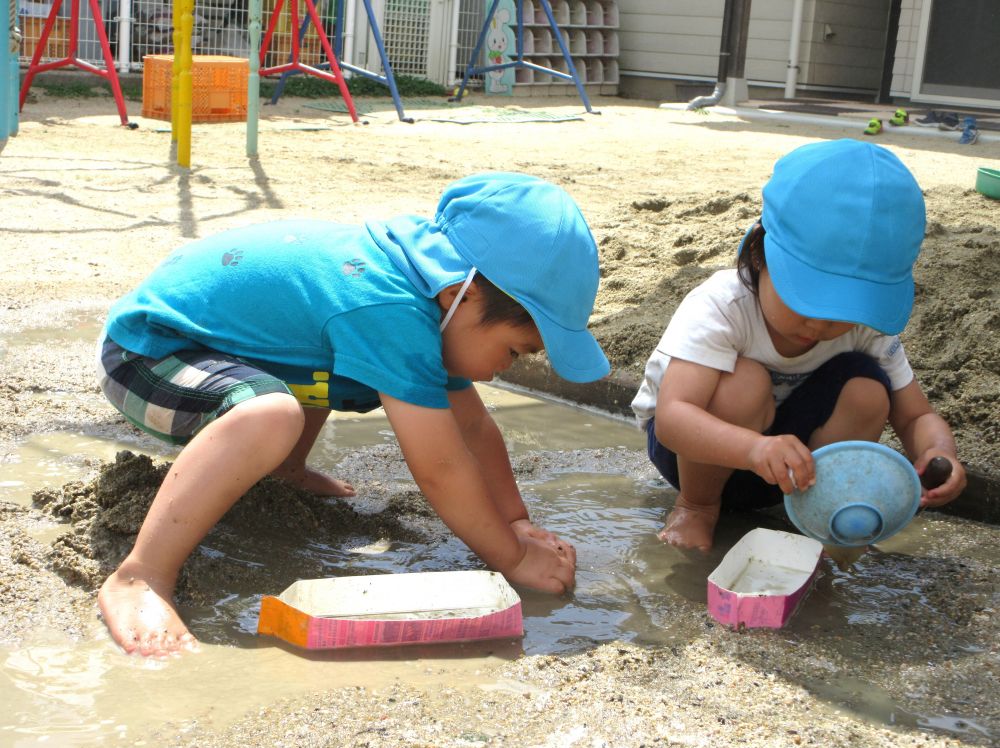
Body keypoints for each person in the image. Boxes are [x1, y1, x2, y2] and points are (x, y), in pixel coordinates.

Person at [96, 172, 610, 657]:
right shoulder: (388, 308)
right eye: (514, 352)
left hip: (228, 354)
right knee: (271, 414)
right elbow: (441, 467)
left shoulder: (433, 294)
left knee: (317, 368)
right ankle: (140, 576)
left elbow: (473, 428)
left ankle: (284, 471)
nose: (502, 370)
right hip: (148, 356)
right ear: (463, 295)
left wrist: (515, 522)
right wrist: (512, 558)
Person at [631, 139, 966, 552]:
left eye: (843, 308)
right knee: (744, 382)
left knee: (867, 390)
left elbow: (916, 417)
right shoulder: (723, 305)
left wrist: (940, 452)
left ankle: (819, 513)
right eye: (807, 297)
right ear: (758, 254)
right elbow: (675, 419)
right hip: (694, 455)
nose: (821, 323)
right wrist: (754, 448)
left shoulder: (864, 326)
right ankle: (697, 510)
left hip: (794, 471)